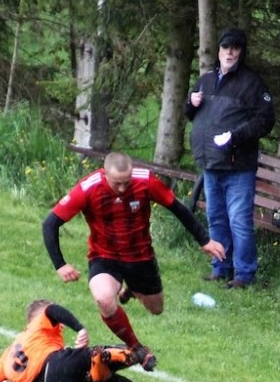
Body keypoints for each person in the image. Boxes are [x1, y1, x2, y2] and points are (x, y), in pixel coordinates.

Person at [43, 152, 225, 366]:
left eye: (126, 182)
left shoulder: (145, 182)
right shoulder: (88, 188)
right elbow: (50, 223)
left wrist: (204, 240)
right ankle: (137, 348)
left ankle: (130, 289)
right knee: (103, 299)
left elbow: (177, 208)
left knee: (156, 309)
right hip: (104, 257)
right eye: (117, 183)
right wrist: (60, 265)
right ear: (104, 174)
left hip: (141, 257)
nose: (122, 188)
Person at [184, 28, 275, 289]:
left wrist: (235, 136)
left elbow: (265, 120)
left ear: (241, 52)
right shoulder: (206, 80)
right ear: (219, 51)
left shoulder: (252, 83)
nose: (230, 52)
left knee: (239, 221)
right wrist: (190, 103)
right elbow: (190, 114)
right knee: (216, 218)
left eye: (235, 48)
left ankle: (244, 273)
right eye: (226, 47)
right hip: (211, 163)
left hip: (238, 166)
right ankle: (221, 267)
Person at [0, 299, 149, 382]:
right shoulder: (37, 324)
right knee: (96, 354)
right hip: (55, 363)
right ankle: (129, 354)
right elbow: (53, 310)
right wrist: (80, 329)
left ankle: (100, 374)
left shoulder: (9, 352)